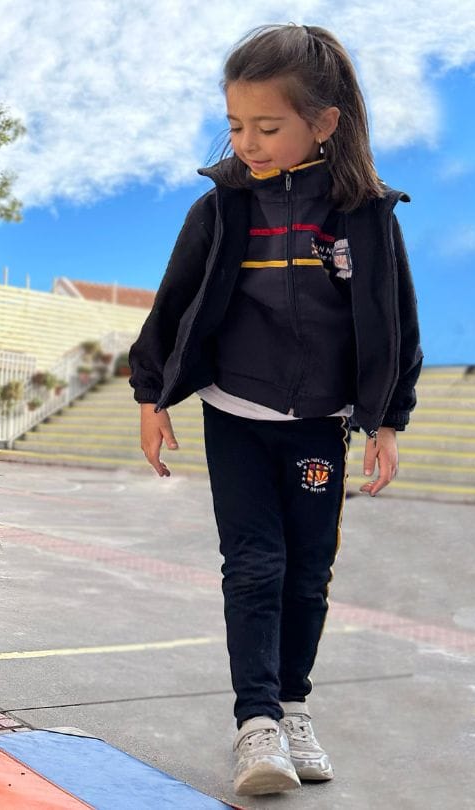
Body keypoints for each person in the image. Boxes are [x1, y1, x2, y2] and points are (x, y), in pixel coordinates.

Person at [128, 24, 421, 797]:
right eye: (235, 126)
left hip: (320, 423)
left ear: (323, 123)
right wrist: (151, 394)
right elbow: (173, 302)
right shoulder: (222, 209)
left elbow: (395, 321)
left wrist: (387, 420)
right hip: (235, 416)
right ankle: (256, 722)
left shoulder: (365, 217)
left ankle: (293, 708)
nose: (247, 144)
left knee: (308, 574)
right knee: (255, 565)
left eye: (267, 126)